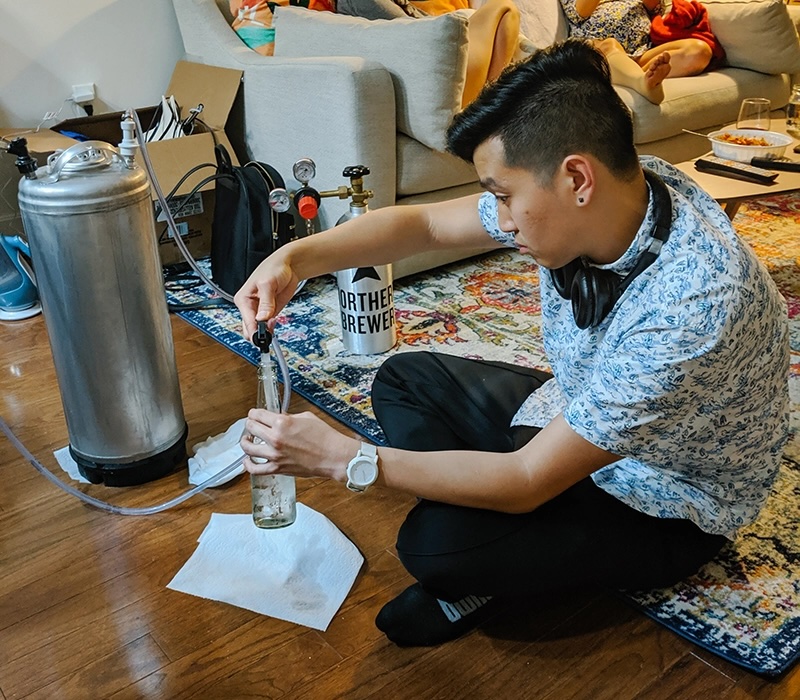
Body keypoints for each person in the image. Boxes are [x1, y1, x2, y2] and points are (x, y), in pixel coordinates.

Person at [234, 39, 789, 648]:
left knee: (433, 545)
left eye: (502, 195)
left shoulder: (693, 305)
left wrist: (345, 460)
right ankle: (493, 525)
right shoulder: (619, 193)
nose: (497, 213)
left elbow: (527, 475)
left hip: (667, 495)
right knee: (403, 379)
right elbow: (424, 224)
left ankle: (488, 557)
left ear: (577, 177)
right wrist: (295, 257)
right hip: (581, 412)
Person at [561, 0, 714, 104]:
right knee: (610, 45)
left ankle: (631, 74)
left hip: (641, 53)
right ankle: (642, 83)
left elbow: (654, 6)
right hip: (599, 51)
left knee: (699, 50)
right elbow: (580, 12)